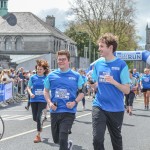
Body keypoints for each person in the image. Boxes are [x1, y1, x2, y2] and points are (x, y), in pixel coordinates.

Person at [90, 33, 130, 150]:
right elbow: (96, 83)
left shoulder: (121, 65)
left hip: (116, 108)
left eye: (102, 46)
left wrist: (114, 82)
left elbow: (127, 90)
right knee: (97, 139)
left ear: (110, 48)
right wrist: (93, 85)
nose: (99, 49)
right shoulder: (98, 64)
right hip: (99, 105)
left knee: (116, 140)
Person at [44, 50, 84, 150]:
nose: (61, 61)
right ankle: (67, 145)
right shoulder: (51, 75)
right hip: (55, 111)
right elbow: (46, 91)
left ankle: (64, 144)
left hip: (68, 111)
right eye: (59, 59)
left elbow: (82, 92)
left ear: (68, 61)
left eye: (63, 59)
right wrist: (49, 103)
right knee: (56, 140)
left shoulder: (76, 76)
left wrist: (74, 102)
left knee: (62, 137)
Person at [27, 59, 49, 143]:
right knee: (35, 118)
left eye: (41, 69)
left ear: (44, 70)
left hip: (43, 100)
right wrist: (31, 93)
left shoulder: (46, 78)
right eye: (38, 69)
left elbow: (49, 89)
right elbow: (28, 87)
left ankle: (38, 135)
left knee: (39, 117)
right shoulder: (33, 77)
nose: (39, 70)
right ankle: (40, 123)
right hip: (33, 99)